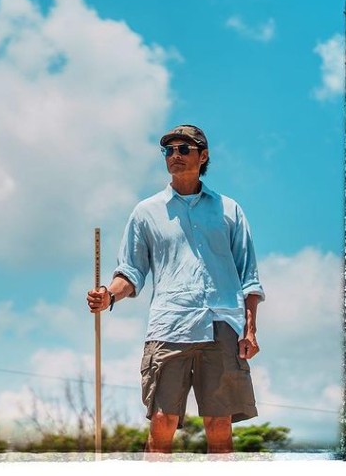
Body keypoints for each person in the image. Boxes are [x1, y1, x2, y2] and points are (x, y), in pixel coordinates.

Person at [86, 124, 265, 454]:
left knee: (219, 425)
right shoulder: (146, 212)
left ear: (203, 156)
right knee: (163, 420)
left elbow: (249, 276)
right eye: (169, 151)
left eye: (184, 149)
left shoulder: (230, 210)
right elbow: (130, 272)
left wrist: (250, 330)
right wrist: (109, 294)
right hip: (169, 327)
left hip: (222, 326)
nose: (175, 156)